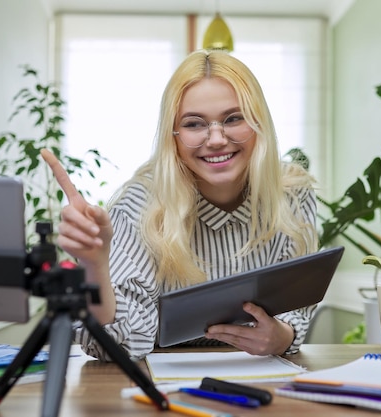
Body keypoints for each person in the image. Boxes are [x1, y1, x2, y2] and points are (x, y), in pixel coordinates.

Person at [41, 49, 318, 361]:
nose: (216, 139)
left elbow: (296, 311)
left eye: (233, 118)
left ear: (258, 124)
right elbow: (110, 345)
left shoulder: (292, 194)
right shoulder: (139, 207)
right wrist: (95, 264)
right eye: (194, 124)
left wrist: (282, 336)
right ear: (173, 136)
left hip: (266, 384)